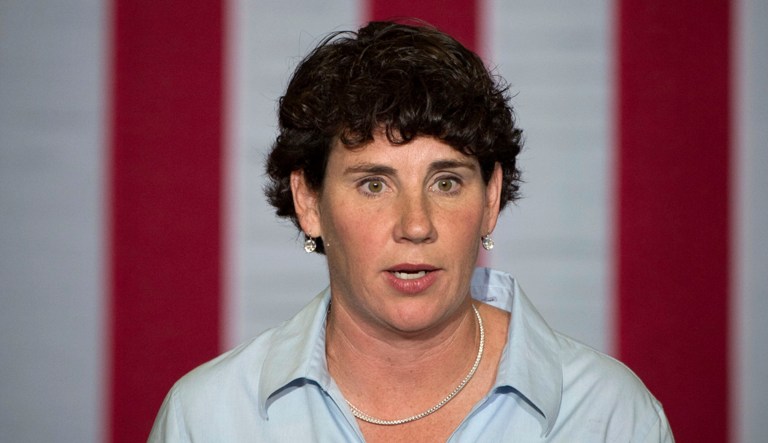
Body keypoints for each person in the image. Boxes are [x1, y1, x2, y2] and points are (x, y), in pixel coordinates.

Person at [149, 21, 674, 442]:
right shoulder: (210, 417)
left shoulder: (610, 415)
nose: (416, 225)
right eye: (374, 185)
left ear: (490, 198)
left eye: (446, 182)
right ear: (309, 201)